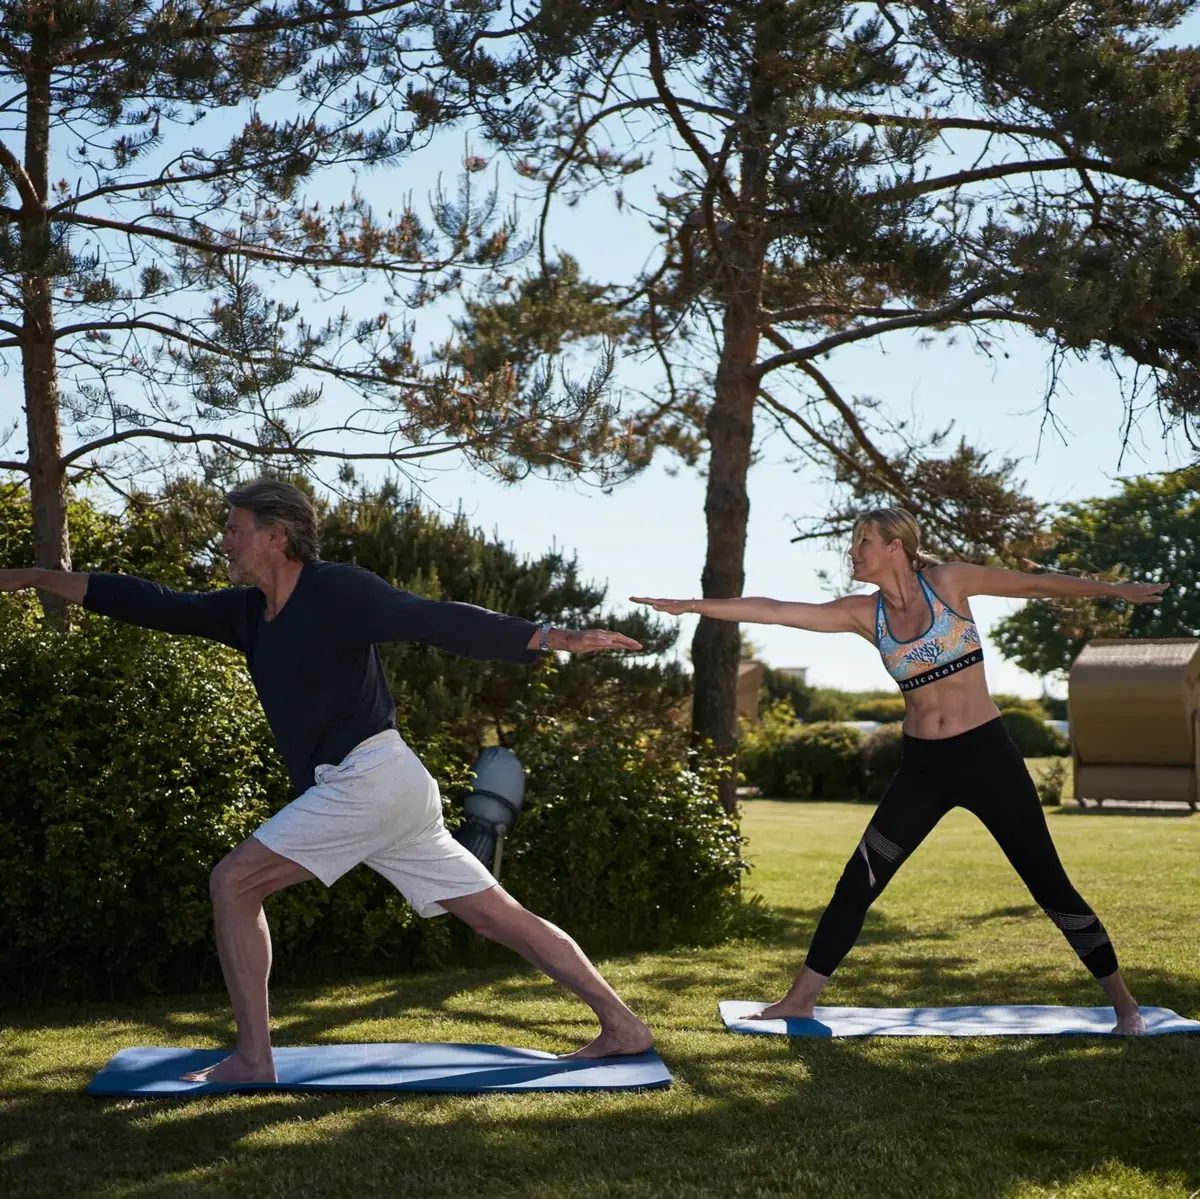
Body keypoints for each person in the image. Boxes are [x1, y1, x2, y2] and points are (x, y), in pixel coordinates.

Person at [0, 479, 653, 1081]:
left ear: (277, 535)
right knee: (497, 918)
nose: (224, 540)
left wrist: (546, 635)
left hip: (370, 778)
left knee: (233, 882)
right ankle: (621, 1024)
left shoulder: (337, 590)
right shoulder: (247, 614)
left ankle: (255, 1057)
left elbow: (433, 617)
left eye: (235, 528)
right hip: (383, 789)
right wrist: (39, 577)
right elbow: (156, 603)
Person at [635, 507, 1168, 1035]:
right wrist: (693, 605)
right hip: (924, 770)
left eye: (862, 541)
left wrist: (1114, 591)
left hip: (987, 759)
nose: (853, 551)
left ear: (896, 546)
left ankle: (1125, 1006)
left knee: (1049, 885)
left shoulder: (949, 583)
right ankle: (799, 1001)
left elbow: (1032, 585)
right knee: (859, 880)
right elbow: (775, 610)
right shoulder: (865, 615)